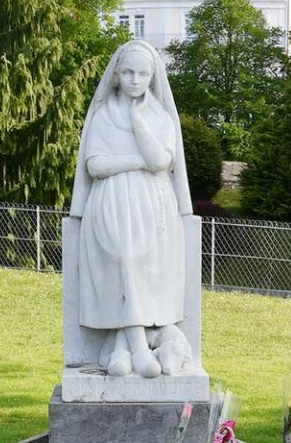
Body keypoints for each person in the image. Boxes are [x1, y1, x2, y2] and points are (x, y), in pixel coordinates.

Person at [68, 40, 196, 378]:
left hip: (152, 207)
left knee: (142, 265)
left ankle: (123, 349)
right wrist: (136, 162)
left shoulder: (159, 116)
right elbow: (95, 165)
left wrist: (139, 121)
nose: (135, 80)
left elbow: (161, 161)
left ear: (152, 77)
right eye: (128, 72)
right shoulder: (104, 114)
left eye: (142, 74)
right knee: (125, 257)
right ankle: (139, 349)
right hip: (110, 202)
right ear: (116, 75)